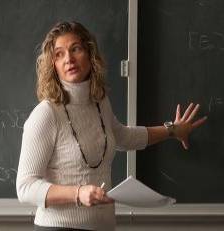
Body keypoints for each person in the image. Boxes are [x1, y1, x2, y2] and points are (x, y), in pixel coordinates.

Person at [16, 21, 207, 231]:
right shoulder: (46, 113)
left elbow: (122, 137)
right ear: (53, 65)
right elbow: (25, 187)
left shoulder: (99, 102)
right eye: (59, 54)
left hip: (103, 226)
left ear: (89, 53)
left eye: (75, 49)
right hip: (59, 227)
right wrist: (78, 193)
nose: (68, 59)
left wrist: (172, 130)